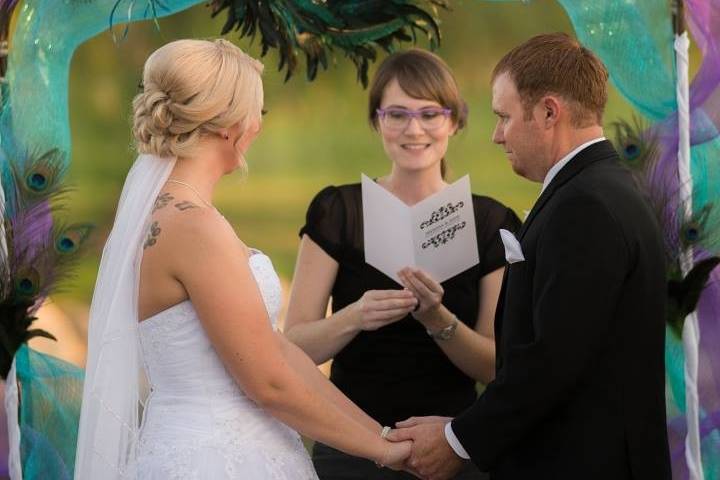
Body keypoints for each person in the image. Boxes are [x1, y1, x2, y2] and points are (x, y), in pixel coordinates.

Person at [73, 39, 411, 479]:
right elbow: (269, 382)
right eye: (258, 113)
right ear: (231, 125)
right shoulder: (193, 226)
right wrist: (386, 454)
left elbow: (276, 350)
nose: (259, 126)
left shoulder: (173, 213)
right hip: (212, 460)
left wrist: (382, 436)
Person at [389, 33, 672, 480]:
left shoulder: (586, 206)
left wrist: (458, 440)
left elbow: (553, 360)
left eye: (504, 116)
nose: (496, 135)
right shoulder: (601, 187)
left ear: (547, 112)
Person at [284, 48, 521, 480]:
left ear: (454, 121)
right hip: (353, 444)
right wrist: (357, 315)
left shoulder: (490, 221)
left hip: (453, 447)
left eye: (430, 114)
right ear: (377, 121)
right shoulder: (339, 210)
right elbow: (294, 348)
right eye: (397, 114)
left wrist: (438, 319)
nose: (414, 129)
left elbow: (495, 366)